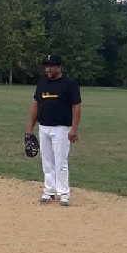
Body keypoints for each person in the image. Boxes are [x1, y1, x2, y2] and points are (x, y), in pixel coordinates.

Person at [26, 53, 81, 206]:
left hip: (61, 128)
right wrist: (30, 128)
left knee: (60, 161)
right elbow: (35, 105)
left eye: (51, 66)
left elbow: (76, 107)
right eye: (46, 66)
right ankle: (49, 190)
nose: (48, 69)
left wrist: (74, 129)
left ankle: (64, 193)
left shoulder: (69, 84)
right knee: (47, 161)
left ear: (59, 67)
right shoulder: (42, 84)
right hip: (44, 127)